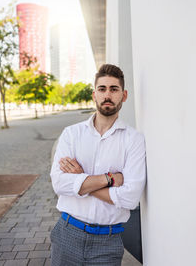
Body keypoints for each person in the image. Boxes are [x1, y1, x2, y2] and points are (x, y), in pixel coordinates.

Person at [50, 64, 146, 266]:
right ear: (94, 94)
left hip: (108, 241)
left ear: (124, 95)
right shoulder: (71, 134)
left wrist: (81, 179)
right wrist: (109, 179)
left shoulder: (134, 140)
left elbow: (130, 198)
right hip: (68, 233)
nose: (107, 95)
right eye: (102, 89)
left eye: (114, 89)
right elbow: (59, 184)